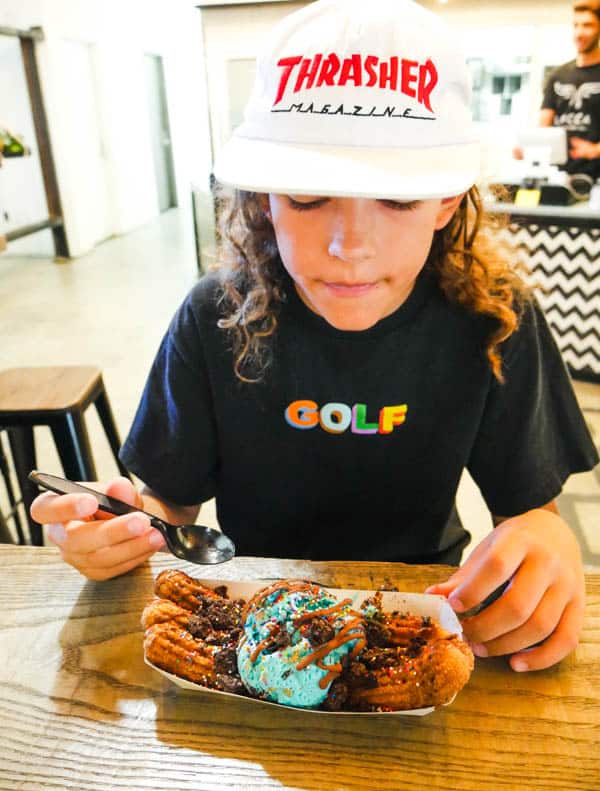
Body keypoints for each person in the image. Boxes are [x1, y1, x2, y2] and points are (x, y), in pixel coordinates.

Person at [31, 0, 598, 674]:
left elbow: (530, 510)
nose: (349, 246)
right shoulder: (215, 315)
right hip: (250, 611)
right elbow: (170, 507)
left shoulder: (493, 317)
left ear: (447, 199)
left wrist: (547, 541)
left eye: (397, 198)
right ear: (263, 199)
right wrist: (122, 530)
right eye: (307, 195)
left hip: (425, 610)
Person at [516, 1, 600, 180]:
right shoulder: (557, 75)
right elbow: (544, 126)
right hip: (558, 176)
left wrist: (594, 150)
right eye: (575, 25)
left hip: (595, 177)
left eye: (588, 25)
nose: (579, 32)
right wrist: (530, 148)